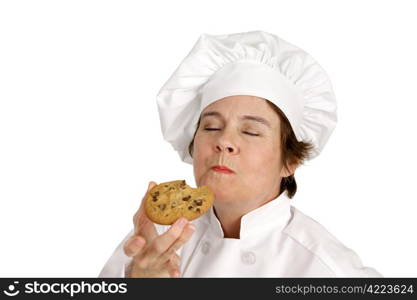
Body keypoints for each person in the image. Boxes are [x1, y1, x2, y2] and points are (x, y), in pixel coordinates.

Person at [98, 30, 381, 277]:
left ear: (290, 161)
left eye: (251, 131)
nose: (224, 141)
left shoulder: (328, 269)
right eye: (210, 126)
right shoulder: (153, 244)